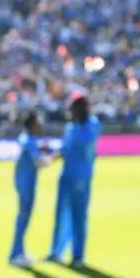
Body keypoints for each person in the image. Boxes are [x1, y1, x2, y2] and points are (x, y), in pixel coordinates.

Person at [48, 93, 101, 267]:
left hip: (81, 177)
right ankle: (56, 252)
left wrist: (76, 125)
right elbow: (65, 148)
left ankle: (78, 256)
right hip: (66, 175)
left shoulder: (91, 124)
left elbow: (83, 143)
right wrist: (51, 153)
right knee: (61, 214)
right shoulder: (71, 126)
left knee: (78, 216)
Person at [10, 112, 55, 267]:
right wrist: (54, 158)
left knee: (24, 216)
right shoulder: (28, 140)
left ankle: (20, 251)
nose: (41, 126)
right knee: (23, 217)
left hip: (26, 181)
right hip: (26, 183)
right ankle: (15, 254)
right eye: (38, 123)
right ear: (32, 124)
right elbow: (38, 163)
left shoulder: (28, 139)